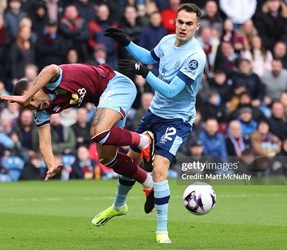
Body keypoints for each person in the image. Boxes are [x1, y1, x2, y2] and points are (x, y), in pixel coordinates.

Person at [93, 3, 206, 243]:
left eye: (188, 24)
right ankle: (119, 206)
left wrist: (143, 73)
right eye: (180, 22)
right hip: (153, 113)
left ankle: (162, 230)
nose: (183, 27)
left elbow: (172, 91)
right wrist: (125, 42)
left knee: (159, 168)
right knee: (131, 161)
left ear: (197, 26)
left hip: (177, 118)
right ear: (174, 21)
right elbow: (149, 57)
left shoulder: (195, 57)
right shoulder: (166, 41)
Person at [0, 63, 154, 189]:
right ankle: (149, 183)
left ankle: (144, 140)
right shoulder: (42, 110)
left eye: (32, 99)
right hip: (104, 100)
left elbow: (51, 68)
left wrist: (25, 97)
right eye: (29, 107)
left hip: (115, 84)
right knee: (106, 157)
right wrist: (51, 165)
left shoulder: (51, 81)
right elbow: (44, 143)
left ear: (35, 87)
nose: (35, 105)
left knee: (97, 132)